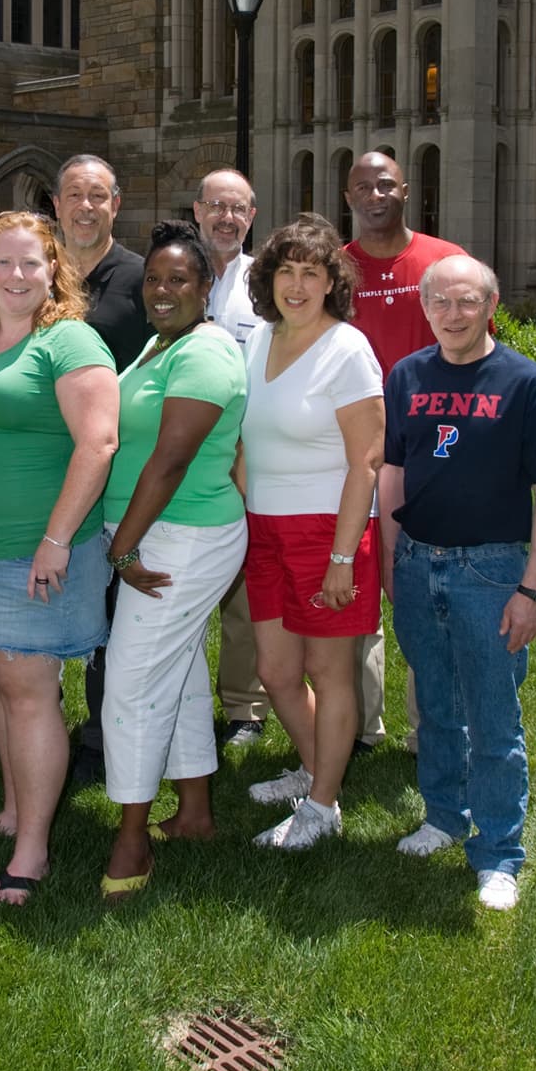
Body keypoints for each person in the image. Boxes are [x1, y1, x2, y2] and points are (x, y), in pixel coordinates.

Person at [380, 255, 536, 910]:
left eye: (467, 300)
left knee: (493, 717)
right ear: (424, 306)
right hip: (416, 562)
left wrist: (530, 589)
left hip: (490, 570)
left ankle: (498, 850)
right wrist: (391, 562)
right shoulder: (407, 375)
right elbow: (391, 475)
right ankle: (443, 814)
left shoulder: (524, 382)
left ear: (490, 302)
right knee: (435, 703)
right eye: (439, 300)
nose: (452, 312)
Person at [0, 211, 119, 905]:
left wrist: (56, 539)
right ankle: (11, 811)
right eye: (2, 262)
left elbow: (97, 444)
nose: (15, 275)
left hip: (28, 552)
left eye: (31, 263)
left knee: (29, 691)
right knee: (6, 685)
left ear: (53, 271)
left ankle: (31, 851)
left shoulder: (69, 340)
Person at [99, 221, 247, 897]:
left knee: (131, 682)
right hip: (158, 533)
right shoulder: (164, 343)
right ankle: (195, 814)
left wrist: (121, 546)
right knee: (180, 673)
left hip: (179, 537)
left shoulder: (207, 351)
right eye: (153, 278)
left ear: (206, 284)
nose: (162, 290)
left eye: (179, 279)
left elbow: (171, 459)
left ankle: (131, 838)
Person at [242, 218, 385, 850]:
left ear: (332, 283)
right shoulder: (257, 340)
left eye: (312, 273)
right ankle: (313, 769)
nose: (297, 285)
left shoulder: (347, 348)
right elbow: (243, 439)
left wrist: (342, 557)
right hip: (263, 528)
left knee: (329, 673)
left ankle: (322, 807)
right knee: (275, 671)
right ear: (268, 278)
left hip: (329, 530)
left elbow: (367, 462)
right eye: (286, 271)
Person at [344, 151, 467, 754]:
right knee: (361, 576)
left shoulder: (444, 262)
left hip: (432, 453)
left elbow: (476, 354)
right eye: (362, 186)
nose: (374, 195)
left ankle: (432, 728)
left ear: (405, 191)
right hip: (353, 453)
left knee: (427, 587)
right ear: (349, 196)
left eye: (385, 184)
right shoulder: (335, 270)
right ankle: (361, 726)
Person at [53, 152, 150, 784]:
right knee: (41, 587)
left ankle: (100, 733)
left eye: (98, 196)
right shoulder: (35, 271)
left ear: (116, 205)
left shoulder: (144, 278)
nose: (85, 207)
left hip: (115, 463)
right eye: (73, 196)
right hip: (43, 461)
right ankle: (30, 710)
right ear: (56, 205)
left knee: (108, 601)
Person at [192, 167, 271, 750]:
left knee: (245, 587)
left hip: (246, 451)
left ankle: (245, 706)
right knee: (185, 579)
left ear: (251, 216)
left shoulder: (264, 284)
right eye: (216, 206)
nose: (226, 217)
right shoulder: (176, 272)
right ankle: (182, 695)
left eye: (237, 208)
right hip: (183, 452)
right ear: (197, 211)